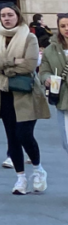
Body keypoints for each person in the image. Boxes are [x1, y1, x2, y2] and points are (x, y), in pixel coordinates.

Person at [0, 3, 50, 194]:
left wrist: (2, 65)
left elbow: (29, 65)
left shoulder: (29, 37)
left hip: (26, 93)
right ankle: (20, 178)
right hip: (3, 92)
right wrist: (13, 62)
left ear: (18, 16)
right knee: (12, 137)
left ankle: (38, 169)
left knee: (24, 134)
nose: (6, 18)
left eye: (10, 15)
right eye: (3, 15)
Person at [40, 14, 68, 165]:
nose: (66, 29)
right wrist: (47, 79)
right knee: (67, 141)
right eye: (63, 26)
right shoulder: (50, 49)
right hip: (64, 99)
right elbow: (43, 71)